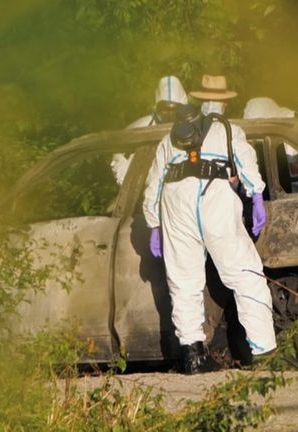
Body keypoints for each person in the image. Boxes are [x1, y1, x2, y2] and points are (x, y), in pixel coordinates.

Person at [142, 103, 277, 374]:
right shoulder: (227, 131)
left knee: (183, 282)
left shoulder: (167, 141)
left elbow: (154, 183)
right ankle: (265, 353)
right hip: (214, 196)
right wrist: (257, 194)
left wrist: (153, 223)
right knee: (245, 274)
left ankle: (193, 357)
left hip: (175, 201)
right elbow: (245, 160)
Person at [111, 76, 188, 185]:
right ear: (157, 108)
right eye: (165, 109)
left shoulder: (190, 128)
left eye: (174, 109)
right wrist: (127, 183)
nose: (170, 114)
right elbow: (119, 153)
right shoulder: (141, 127)